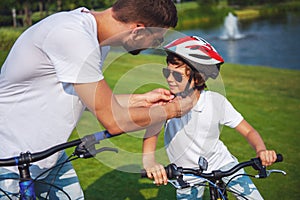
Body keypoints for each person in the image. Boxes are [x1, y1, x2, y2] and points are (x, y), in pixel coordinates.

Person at [0, 1, 197, 199]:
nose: (153, 46)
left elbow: (88, 100)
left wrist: (141, 99)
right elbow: (114, 121)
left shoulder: (97, 42)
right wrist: (174, 110)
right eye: (156, 39)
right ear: (139, 30)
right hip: (10, 159)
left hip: (48, 157)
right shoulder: (72, 35)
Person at [142, 36, 278, 200]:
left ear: (198, 78)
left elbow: (248, 131)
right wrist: (150, 162)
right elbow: (151, 134)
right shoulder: (165, 104)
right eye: (167, 72)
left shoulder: (215, 101)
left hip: (223, 163)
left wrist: (261, 150)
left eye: (177, 76)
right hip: (186, 174)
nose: (169, 79)